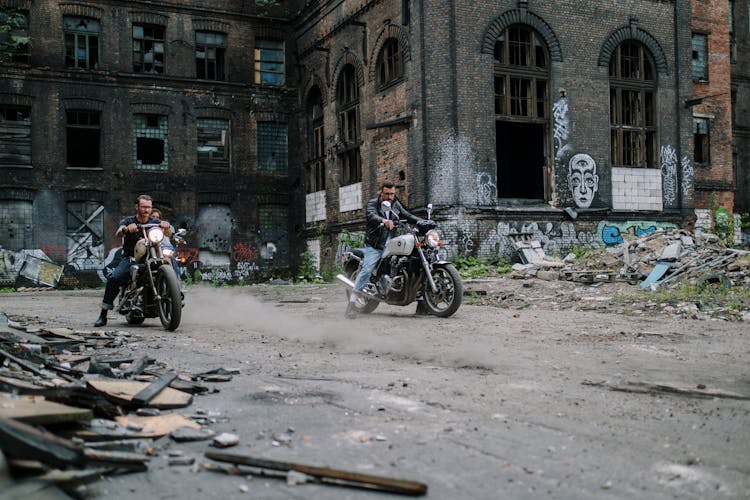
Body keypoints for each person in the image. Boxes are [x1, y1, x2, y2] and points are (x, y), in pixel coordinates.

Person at [94, 195, 172, 327]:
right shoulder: (129, 221)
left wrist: (166, 226)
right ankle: (103, 314)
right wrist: (125, 229)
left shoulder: (154, 221)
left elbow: (168, 234)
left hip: (152, 256)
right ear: (137, 207)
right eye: (143, 207)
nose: (147, 210)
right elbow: (118, 233)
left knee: (170, 264)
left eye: (149, 207)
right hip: (131, 258)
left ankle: (174, 295)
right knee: (114, 278)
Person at [346, 181, 420, 319]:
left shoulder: (395, 204)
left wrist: (421, 221)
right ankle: (351, 305)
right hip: (375, 245)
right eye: (387, 194)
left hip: (391, 243)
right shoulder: (373, 204)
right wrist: (383, 221)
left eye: (392, 194)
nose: (390, 197)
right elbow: (371, 215)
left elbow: (406, 215)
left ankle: (424, 304)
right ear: (381, 192)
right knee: (367, 270)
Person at [150, 208, 181, 282]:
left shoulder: (165, 226)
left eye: (157, 217)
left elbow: (171, 236)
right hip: (152, 249)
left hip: (165, 248)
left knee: (172, 259)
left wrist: (166, 229)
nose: (155, 218)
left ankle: (176, 281)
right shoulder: (147, 226)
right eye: (153, 216)